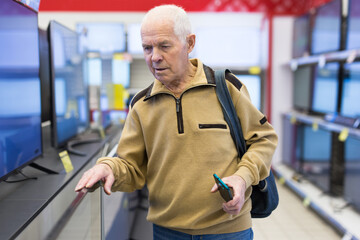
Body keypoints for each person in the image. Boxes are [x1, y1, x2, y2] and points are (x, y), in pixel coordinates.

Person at [75, 4, 278, 239]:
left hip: (229, 229)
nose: (155, 57)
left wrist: (243, 178)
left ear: (189, 43)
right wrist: (108, 167)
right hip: (168, 231)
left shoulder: (226, 88)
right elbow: (131, 167)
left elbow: (264, 139)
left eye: (164, 46)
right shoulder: (141, 105)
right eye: (147, 48)